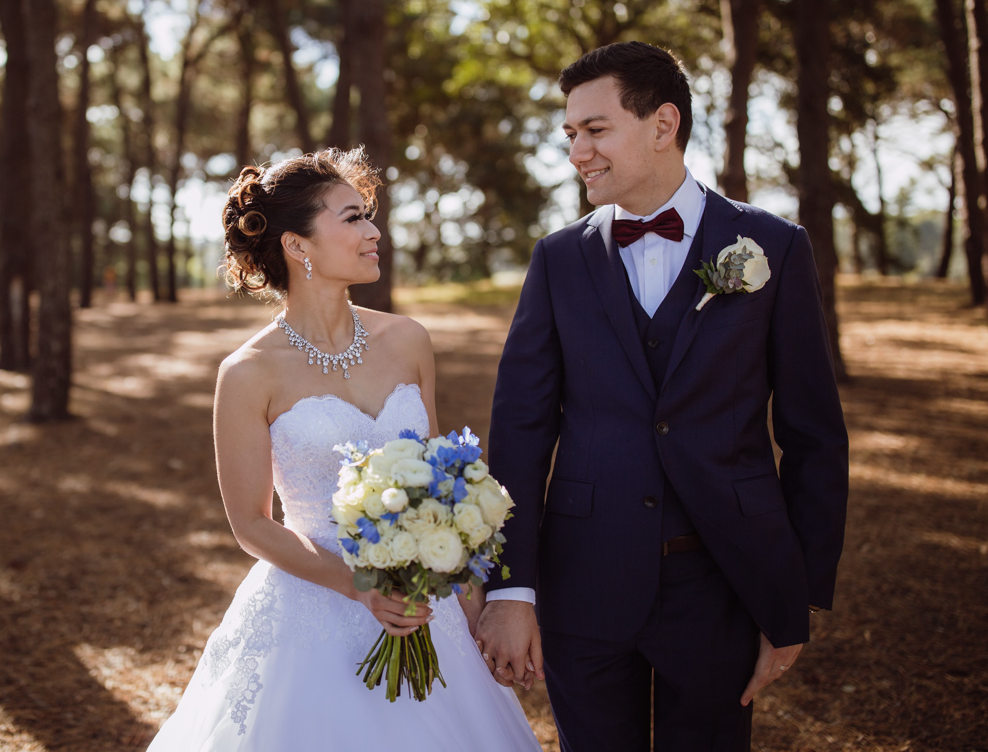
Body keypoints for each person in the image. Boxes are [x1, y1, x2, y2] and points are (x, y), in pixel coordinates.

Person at [475, 41, 850, 752]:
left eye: (595, 129)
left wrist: (791, 597)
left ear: (663, 123)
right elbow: (520, 432)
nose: (577, 151)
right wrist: (511, 588)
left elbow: (814, 436)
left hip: (723, 580)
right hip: (583, 578)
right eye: (570, 135)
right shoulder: (558, 258)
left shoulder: (774, 245)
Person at [146, 148, 542, 751]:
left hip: (425, 609)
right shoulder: (248, 372)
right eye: (353, 218)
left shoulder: (408, 340)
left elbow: (441, 486)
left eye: (368, 216)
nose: (372, 231)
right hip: (308, 615)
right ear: (296, 245)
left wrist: (476, 608)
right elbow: (252, 523)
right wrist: (358, 586)